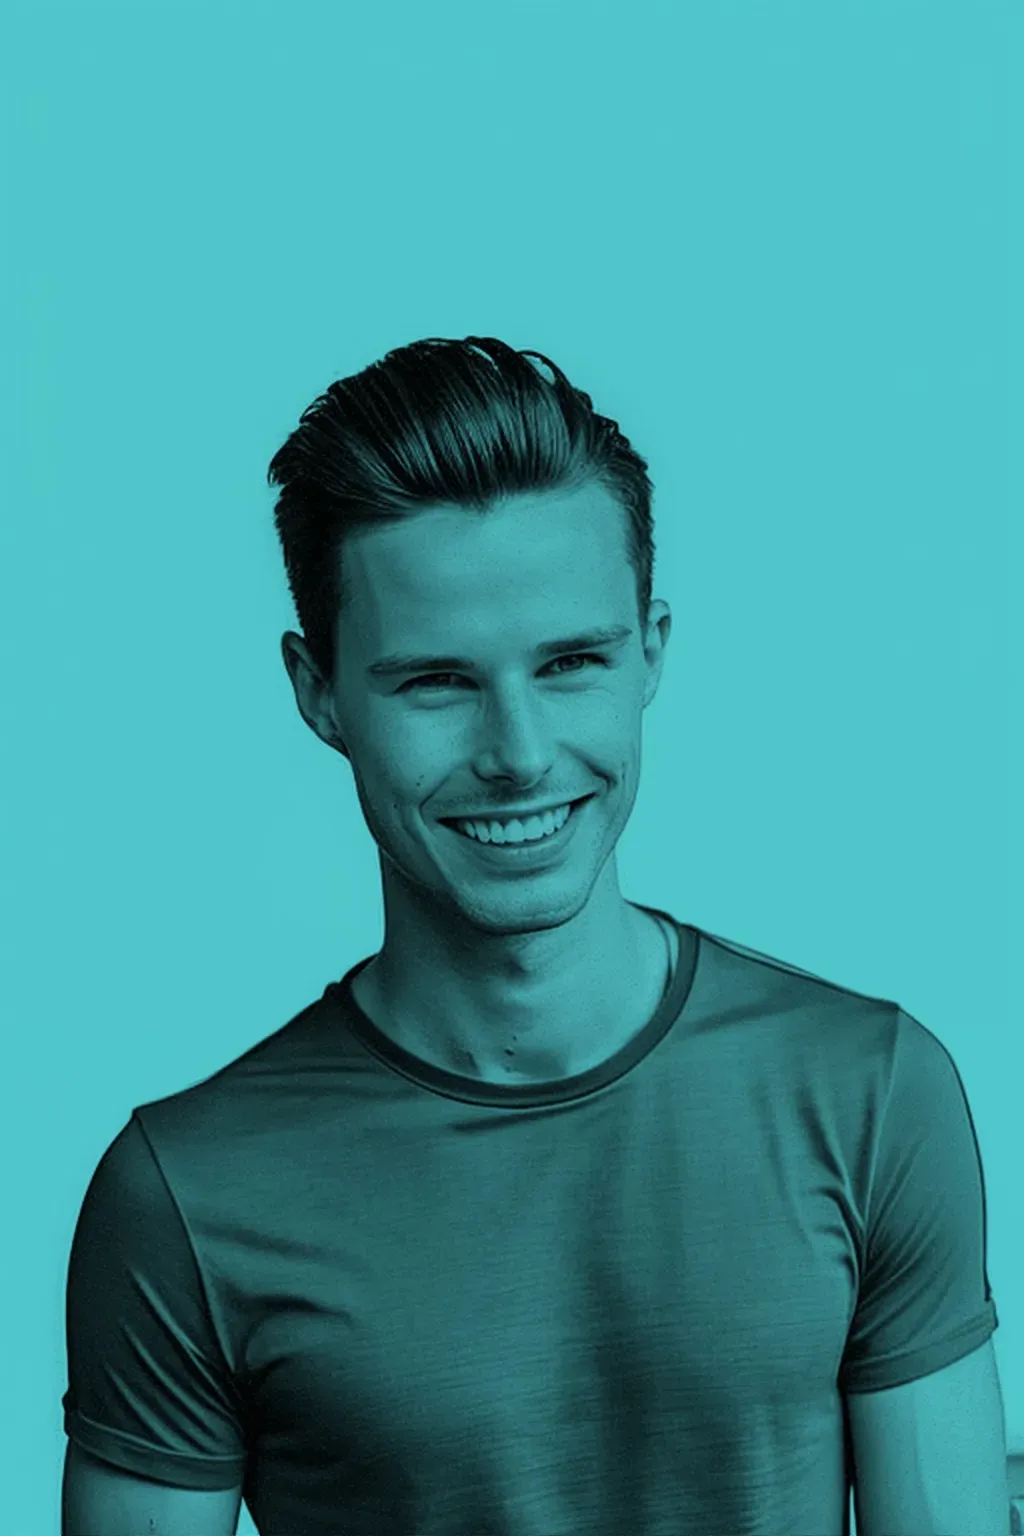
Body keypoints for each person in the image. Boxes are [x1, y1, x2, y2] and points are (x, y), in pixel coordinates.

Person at [61, 337, 1006, 1535]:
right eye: (436, 682)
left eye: (569, 664)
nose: (518, 754)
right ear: (319, 693)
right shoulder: (186, 1197)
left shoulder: (870, 1094)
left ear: (650, 653)